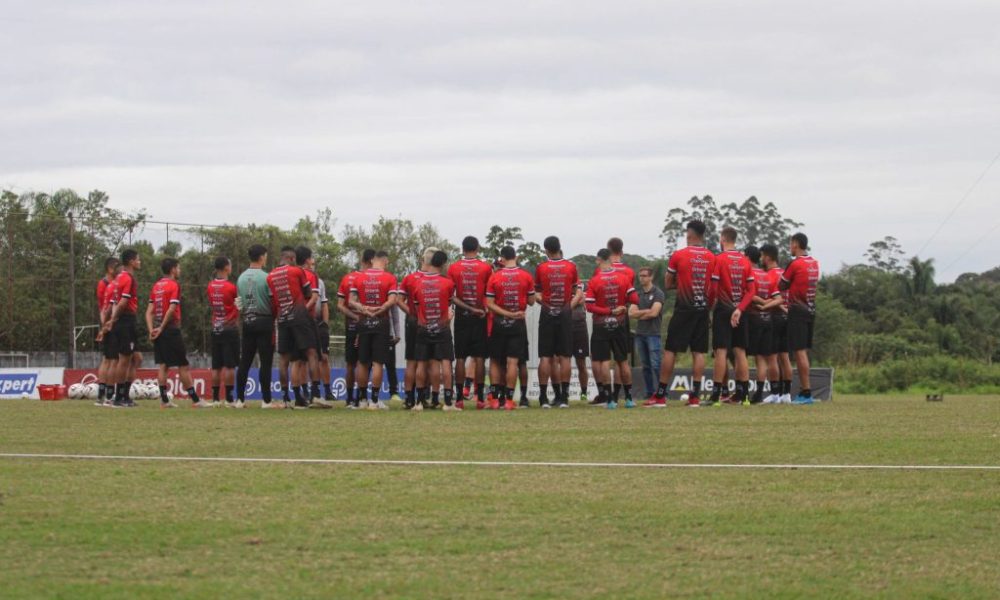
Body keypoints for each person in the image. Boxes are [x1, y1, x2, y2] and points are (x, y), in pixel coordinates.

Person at [647, 220, 715, 408]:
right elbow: (713, 288)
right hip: (702, 309)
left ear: (690, 235)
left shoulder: (679, 255)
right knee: (698, 352)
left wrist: (683, 282)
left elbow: (668, 284)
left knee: (671, 350)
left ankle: (660, 395)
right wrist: (708, 309)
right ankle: (695, 396)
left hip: (684, 308)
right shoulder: (711, 257)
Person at [147, 257, 207, 408]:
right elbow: (172, 308)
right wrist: (161, 328)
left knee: (164, 366)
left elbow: (148, 312)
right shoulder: (173, 285)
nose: (179, 271)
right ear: (173, 269)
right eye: (178, 268)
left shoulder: (156, 286)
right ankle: (195, 400)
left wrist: (151, 330)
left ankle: (164, 401)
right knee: (183, 365)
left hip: (158, 329)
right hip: (171, 329)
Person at [706, 226, 756, 406]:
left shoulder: (718, 259)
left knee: (721, 350)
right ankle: (745, 396)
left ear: (722, 239)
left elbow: (712, 288)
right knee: (740, 351)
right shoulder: (745, 261)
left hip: (722, 310)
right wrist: (740, 309)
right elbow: (751, 291)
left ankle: (717, 395)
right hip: (741, 311)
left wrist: (709, 306)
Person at [267, 245, 320, 410]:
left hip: (282, 319)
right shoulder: (297, 271)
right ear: (291, 258)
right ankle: (315, 395)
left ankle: (286, 398)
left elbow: (272, 302)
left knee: (284, 360)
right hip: (299, 317)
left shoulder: (270, 276)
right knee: (311, 353)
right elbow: (308, 294)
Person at [586, 248, 638, 409]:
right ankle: (629, 399)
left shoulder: (594, 280)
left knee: (604, 361)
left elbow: (589, 306)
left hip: (601, 326)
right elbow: (635, 298)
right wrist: (623, 306)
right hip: (620, 324)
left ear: (598, 260)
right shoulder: (623, 278)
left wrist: (608, 311)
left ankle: (609, 400)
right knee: (622, 361)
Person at [485, 246, 536, 411]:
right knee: (513, 361)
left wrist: (506, 313)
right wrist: (513, 313)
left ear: (502, 258)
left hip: (499, 323)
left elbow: (490, 304)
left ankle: (494, 399)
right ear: (517, 257)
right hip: (518, 322)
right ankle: (508, 400)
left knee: (495, 360)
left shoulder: (495, 277)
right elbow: (531, 301)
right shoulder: (526, 276)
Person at [534, 236, 581, 408]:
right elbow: (576, 292)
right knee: (565, 356)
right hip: (565, 314)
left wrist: (545, 303)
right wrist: (567, 307)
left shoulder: (541, 268)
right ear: (560, 247)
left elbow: (536, 294)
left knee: (545, 356)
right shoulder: (571, 267)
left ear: (546, 250)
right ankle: (564, 397)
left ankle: (543, 397)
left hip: (547, 314)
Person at [447, 236, 493, 410]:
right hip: (480, 316)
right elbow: (490, 294)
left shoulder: (454, 268)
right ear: (478, 248)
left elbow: (452, 296)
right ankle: (480, 398)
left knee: (460, 357)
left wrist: (468, 308)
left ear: (462, 248)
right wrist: (480, 309)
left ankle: (459, 397)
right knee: (479, 357)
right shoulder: (485, 268)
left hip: (462, 318)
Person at [349, 250, 398, 410]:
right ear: (384, 261)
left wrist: (363, 309)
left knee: (362, 362)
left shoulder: (359, 277)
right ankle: (375, 401)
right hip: (381, 322)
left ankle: (362, 400)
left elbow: (351, 301)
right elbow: (392, 301)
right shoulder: (389, 278)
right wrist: (378, 309)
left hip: (363, 322)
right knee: (378, 363)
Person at [411, 250, 459, 410]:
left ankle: (418, 402)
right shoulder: (448, 283)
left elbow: (417, 309)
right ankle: (447, 402)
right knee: (446, 362)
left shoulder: (418, 282)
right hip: (442, 328)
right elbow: (449, 305)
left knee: (421, 364)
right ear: (444, 264)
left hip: (423, 328)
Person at [236, 244, 279, 409]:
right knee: (266, 362)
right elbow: (273, 302)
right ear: (261, 257)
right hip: (264, 321)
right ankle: (266, 401)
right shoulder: (267, 277)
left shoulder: (240, 278)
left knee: (245, 361)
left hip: (247, 320)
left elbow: (239, 302)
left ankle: (239, 400)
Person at [780, 233, 820, 405]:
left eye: (790, 243)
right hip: (810, 310)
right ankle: (806, 391)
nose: (790, 247)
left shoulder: (795, 263)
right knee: (803, 351)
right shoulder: (814, 263)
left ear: (796, 244)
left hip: (797, 311)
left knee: (799, 351)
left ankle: (806, 392)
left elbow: (781, 284)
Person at [103, 248, 142, 408]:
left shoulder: (119, 278)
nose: (139, 262)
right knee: (124, 359)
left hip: (122, 321)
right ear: (132, 261)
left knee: (132, 358)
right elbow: (122, 302)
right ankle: (119, 397)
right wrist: (113, 319)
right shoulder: (128, 278)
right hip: (126, 320)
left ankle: (123, 396)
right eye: (138, 259)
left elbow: (113, 302)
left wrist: (112, 319)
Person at [745, 246, 780, 404]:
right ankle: (759, 393)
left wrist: (762, 303)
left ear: (747, 257)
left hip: (754, 318)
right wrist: (768, 304)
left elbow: (749, 295)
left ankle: (743, 392)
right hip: (768, 320)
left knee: (743, 355)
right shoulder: (766, 275)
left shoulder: (749, 274)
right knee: (762, 359)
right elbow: (778, 298)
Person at [337, 250, 372, 406]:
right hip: (367, 326)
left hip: (351, 326)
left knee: (351, 364)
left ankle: (349, 399)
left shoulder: (347, 278)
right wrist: (359, 317)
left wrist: (353, 317)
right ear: (371, 261)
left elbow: (339, 305)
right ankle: (360, 397)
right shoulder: (371, 279)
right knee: (363, 363)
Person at [399, 249, 433, 409]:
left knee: (411, 361)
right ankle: (422, 397)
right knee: (425, 362)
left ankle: (409, 398)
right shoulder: (435, 279)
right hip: (429, 322)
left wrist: (412, 313)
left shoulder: (410, 278)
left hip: (412, 321)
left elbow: (399, 301)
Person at [760, 243, 793, 404]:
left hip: (774, 317)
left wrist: (763, 305)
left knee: (772, 358)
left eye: (762, 256)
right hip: (788, 319)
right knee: (785, 357)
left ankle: (775, 393)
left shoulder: (770, 275)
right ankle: (786, 394)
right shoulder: (785, 273)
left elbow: (774, 298)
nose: (761, 259)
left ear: (767, 257)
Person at [207, 256, 241, 407]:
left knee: (216, 366)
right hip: (230, 328)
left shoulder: (210, 286)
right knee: (229, 365)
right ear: (227, 267)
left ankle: (215, 399)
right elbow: (238, 305)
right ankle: (228, 398)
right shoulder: (231, 287)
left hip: (216, 328)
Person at [302, 251, 334, 408]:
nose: (312, 266)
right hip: (306, 321)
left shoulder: (319, 282)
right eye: (311, 263)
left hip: (319, 323)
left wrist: (325, 324)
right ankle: (308, 391)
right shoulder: (299, 278)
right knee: (309, 357)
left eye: (314, 265)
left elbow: (324, 303)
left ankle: (328, 390)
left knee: (324, 357)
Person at [629, 267, 664, 400]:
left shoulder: (658, 293)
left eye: (644, 276)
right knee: (646, 366)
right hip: (640, 334)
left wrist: (641, 313)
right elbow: (631, 313)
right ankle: (649, 392)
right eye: (640, 276)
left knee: (656, 365)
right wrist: (646, 312)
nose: (642, 278)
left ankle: (661, 392)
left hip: (653, 334)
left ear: (651, 277)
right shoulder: (637, 294)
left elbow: (654, 313)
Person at [94, 257, 119, 406]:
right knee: (112, 360)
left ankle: (102, 395)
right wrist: (105, 325)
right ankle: (109, 395)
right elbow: (103, 307)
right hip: (110, 324)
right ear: (111, 269)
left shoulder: (107, 284)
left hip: (108, 323)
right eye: (118, 268)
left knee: (108, 359)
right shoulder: (105, 284)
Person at [571, 286, 590, 404]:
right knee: (562, 360)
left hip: (579, 326)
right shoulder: (562, 285)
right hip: (564, 325)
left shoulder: (581, 286)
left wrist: (577, 298)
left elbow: (583, 299)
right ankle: (563, 392)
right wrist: (576, 299)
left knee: (581, 362)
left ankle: (583, 392)